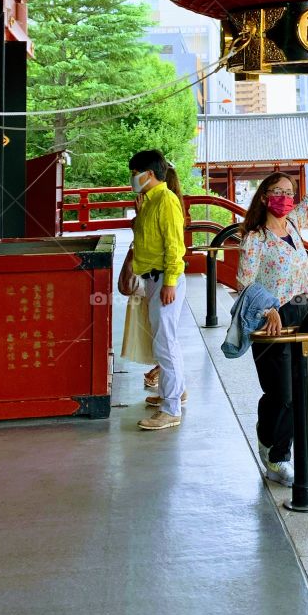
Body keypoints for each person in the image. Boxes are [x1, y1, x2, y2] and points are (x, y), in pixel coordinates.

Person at [237, 149, 308, 485]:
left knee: (298, 389)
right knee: (282, 393)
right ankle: (272, 449)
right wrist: (268, 308)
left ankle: (277, 453)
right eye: (279, 193)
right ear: (264, 197)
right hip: (270, 317)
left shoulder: (294, 225)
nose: (286, 199)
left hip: (304, 312)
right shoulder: (256, 238)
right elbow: (243, 282)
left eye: (290, 193)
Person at [127, 150, 187, 432]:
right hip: (154, 278)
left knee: (165, 343)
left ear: (148, 174)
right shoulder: (149, 202)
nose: (132, 178)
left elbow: (175, 245)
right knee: (165, 340)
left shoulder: (166, 200)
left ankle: (171, 409)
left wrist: (171, 282)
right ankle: (173, 394)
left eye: (134, 172)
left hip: (165, 278)